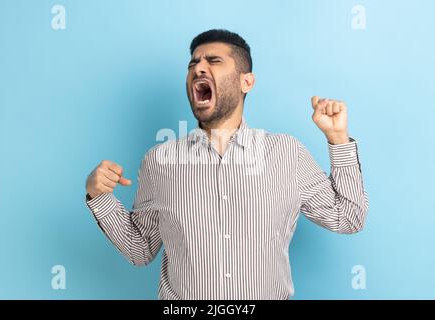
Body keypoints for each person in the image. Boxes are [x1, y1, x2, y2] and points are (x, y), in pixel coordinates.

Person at [85, 29, 369, 300]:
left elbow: (349, 218)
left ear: (247, 81)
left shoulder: (287, 153)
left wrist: (338, 139)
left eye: (214, 60)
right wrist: (99, 197)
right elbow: (140, 249)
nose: (199, 68)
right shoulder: (159, 161)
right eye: (193, 63)